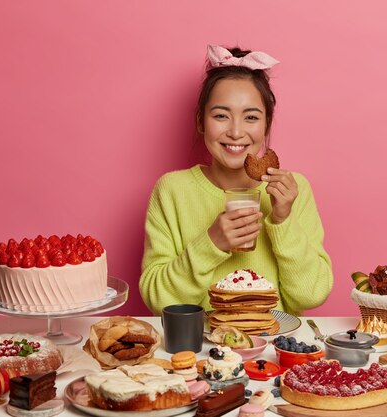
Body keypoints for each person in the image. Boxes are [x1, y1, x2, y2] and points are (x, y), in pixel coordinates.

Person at [140, 45, 333, 316]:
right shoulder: (172, 190)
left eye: (251, 117)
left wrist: (283, 220)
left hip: (273, 348)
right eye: (221, 116)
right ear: (200, 122)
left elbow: (311, 295)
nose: (236, 131)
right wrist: (212, 243)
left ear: (266, 125)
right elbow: (159, 300)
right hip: (202, 351)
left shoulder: (292, 190)